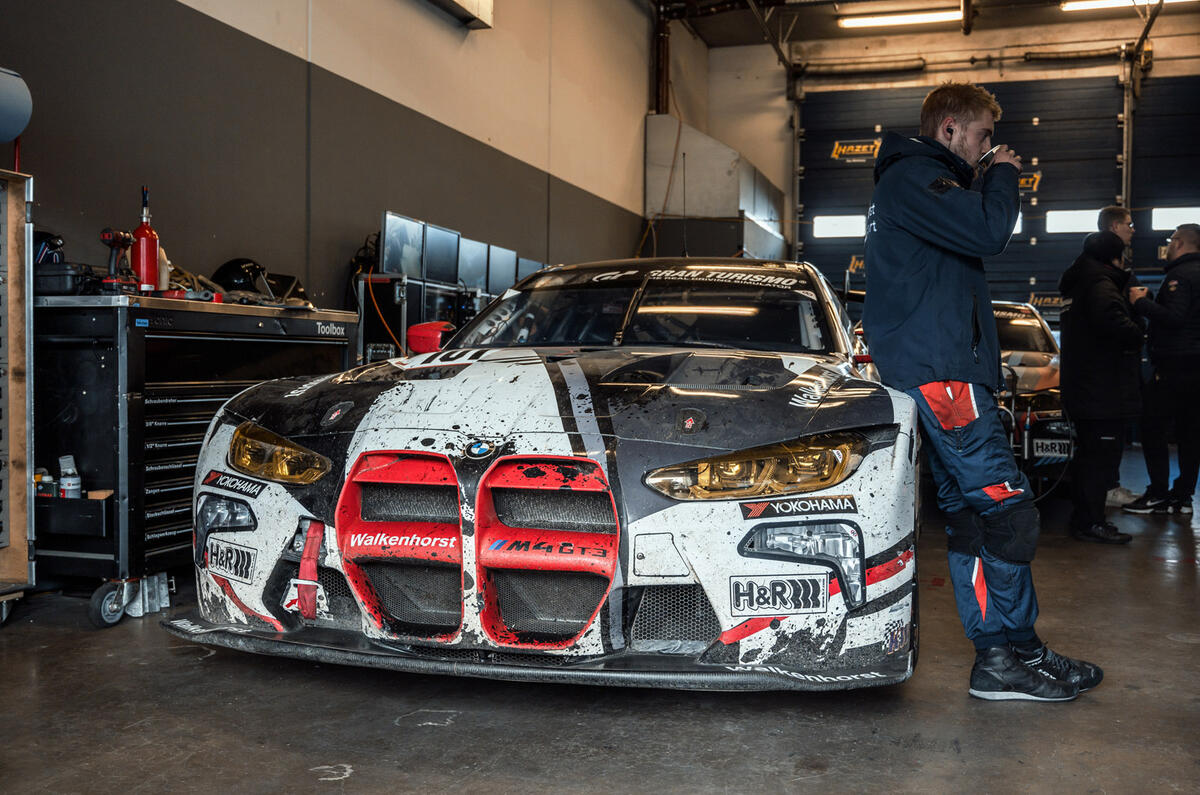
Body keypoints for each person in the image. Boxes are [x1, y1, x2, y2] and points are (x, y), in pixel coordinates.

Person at [864, 81, 1101, 702]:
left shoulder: (920, 183)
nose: (991, 147)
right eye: (983, 136)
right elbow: (990, 230)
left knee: (972, 515)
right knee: (1009, 509)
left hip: (941, 368)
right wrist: (1001, 175)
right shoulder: (916, 178)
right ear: (949, 130)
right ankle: (1016, 652)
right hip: (941, 373)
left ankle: (1000, 657)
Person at [1057, 231, 1143, 543]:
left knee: (1089, 458)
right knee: (1098, 461)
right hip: (1101, 391)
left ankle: (1084, 520)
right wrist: (1139, 314)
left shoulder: (1080, 282)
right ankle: (1090, 522)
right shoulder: (1101, 286)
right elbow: (1122, 331)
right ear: (1114, 257)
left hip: (1086, 388)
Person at [1125, 223, 1200, 514]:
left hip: (1175, 366)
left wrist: (1143, 303)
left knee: (1152, 426)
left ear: (1179, 242)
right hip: (1195, 368)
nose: (1168, 246)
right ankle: (1183, 497)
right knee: (1190, 434)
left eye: (1171, 241)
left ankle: (1157, 492)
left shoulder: (1180, 275)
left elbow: (1175, 318)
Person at [1095, 205, 1143, 508]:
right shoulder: (1105, 272)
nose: (1134, 229)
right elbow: (1114, 323)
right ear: (1114, 227)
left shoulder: (1110, 268)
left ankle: (1109, 485)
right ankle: (1107, 488)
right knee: (1104, 435)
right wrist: (1139, 317)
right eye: (1129, 224)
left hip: (1116, 370)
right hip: (1107, 372)